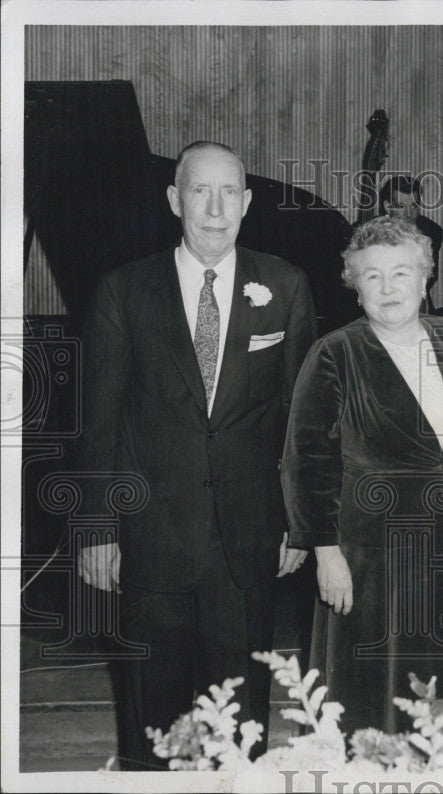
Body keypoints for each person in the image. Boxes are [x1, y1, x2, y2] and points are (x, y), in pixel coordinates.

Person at [75, 141, 317, 769]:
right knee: (153, 725)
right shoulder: (123, 291)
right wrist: (98, 530)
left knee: (239, 724)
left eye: (229, 191)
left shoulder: (285, 286)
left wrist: (299, 520)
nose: (215, 207)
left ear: (248, 201)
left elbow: (300, 419)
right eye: (200, 191)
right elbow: (97, 423)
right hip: (150, 539)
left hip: (249, 539)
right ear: (174, 199)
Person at [280, 216, 443, 751]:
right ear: (354, 284)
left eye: (401, 273)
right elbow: (307, 460)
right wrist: (325, 553)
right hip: (369, 560)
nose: (388, 288)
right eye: (372, 276)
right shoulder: (334, 353)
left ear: (425, 277)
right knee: (370, 707)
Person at [379, 175, 443, 309]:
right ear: (387, 206)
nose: (409, 214)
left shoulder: (431, 231)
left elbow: (431, 275)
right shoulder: (367, 230)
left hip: (416, 302)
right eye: (401, 206)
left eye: (414, 206)